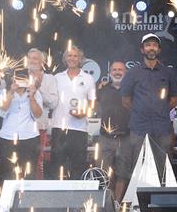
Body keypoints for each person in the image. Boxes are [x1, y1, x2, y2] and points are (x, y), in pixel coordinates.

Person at [120, 33, 177, 179]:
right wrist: (140, 111)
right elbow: (125, 100)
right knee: (138, 166)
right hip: (139, 127)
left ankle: (161, 201)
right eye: (148, 45)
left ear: (159, 50)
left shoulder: (168, 72)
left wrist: (161, 110)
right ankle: (137, 202)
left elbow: (174, 99)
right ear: (142, 50)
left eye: (154, 45)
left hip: (162, 127)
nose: (151, 48)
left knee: (163, 166)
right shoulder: (132, 73)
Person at [0, 73, 43, 199]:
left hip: (29, 136)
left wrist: (32, 97)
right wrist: (11, 92)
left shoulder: (35, 93)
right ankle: (5, 203)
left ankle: (27, 203)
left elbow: (38, 114)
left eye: (23, 78)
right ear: (12, 79)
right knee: (7, 172)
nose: (20, 81)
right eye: (17, 78)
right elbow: (2, 111)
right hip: (8, 137)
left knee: (29, 171)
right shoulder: (3, 92)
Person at [48, 45, 96, 180]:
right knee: (56, 168)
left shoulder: (88, 78)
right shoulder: (57, 77)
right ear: (65, 58)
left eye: (75, 56)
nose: (72, 58)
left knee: (78, 167)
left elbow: (92, 102)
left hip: (79, 129)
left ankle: (76, 199)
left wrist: (84, 112)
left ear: (80, 59)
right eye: (69, 55)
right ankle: (56, 199)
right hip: (59, 128)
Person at [97, 61, 131, 202]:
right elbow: (96, 108)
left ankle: (117, 204)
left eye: (120, 69)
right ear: (110, 72)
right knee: (105, 172)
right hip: (106, 137)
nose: (117, 72)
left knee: (122, 173)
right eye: (114, 69)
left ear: (125, 72)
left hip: (126, 137)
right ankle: (108, 203)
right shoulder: (102, 89)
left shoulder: (131, 89)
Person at [25, 48, 59, 179]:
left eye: (35, 58)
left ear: (42, 62)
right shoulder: (20, 75)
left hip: (39, 127)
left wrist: (39, 90)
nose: (32, 61)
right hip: (20, 127)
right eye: (30, 58)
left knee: (37, 161)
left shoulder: (50, 79)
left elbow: (53, 103)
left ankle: (36, 194)